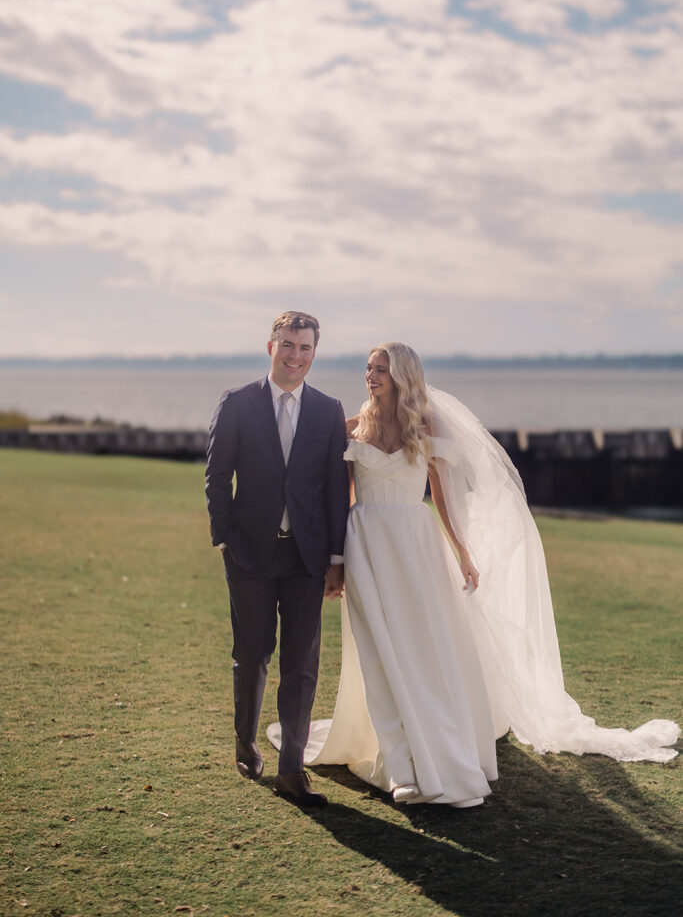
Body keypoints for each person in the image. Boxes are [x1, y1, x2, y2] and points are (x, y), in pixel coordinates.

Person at [267, 342, 680, 806]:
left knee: (422, 648)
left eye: (380, 369)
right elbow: (341, 499)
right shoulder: (350, 428)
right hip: (364, 545)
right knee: (375, 652)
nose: (371, 375)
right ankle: (399, 763)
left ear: (403, 375)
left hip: (416, 546)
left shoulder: (426, 427)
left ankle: (438, 743)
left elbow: (441, 495)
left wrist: (462, 550)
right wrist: (337, 560)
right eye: (368, 368)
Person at [205, 311, 349, 807]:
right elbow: (217, 475)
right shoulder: (238, 403)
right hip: (250, 554)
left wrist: (335, 556)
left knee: (302, 665)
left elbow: (335, 488)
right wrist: (224, 536)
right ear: (271, 347)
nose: (296, 356)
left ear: (314, 353)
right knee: (252, 654)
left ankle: (292, 768)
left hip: (307, 558)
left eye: (305, 348)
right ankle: (245, 739)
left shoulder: (329, 410)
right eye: (288, 345)